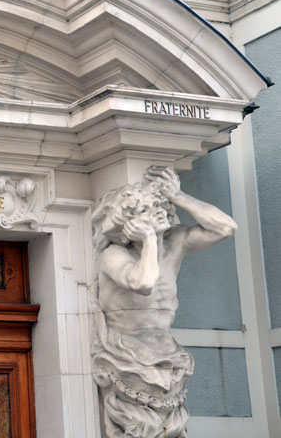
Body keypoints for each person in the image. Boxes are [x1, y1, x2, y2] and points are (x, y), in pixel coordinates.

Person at [91, 166, 237, 438]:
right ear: (129, 220)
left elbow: (227, 228)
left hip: (169, 358)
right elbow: (143, 283)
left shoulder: (176, 242)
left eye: (160, 205)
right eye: (148, 208)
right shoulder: (114, 255)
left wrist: (179, 195)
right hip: (128, 355)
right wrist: (148, 239)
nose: (158, 211)